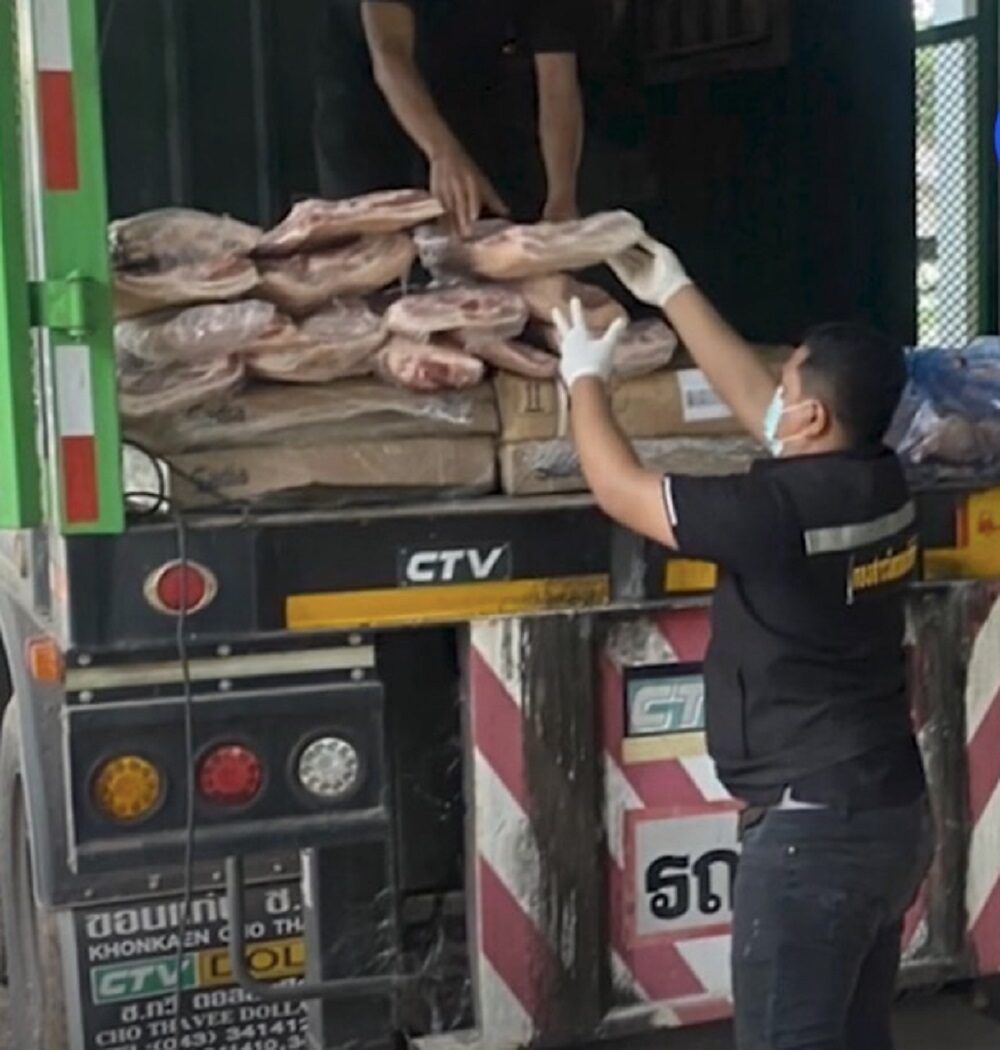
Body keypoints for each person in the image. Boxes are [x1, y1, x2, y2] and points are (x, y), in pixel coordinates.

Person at [554, 237, 935, 1050]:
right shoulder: (881, 480)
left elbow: (619, 489)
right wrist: (675, 289)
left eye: (789, 387)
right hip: (889, 813)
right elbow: (766, 409)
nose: (776, 400)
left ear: (814, 418)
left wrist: (584, 377)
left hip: (812, 842)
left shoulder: (773, 515)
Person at [314, 0, 583, 231]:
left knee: (482, 238)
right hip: (370, 102)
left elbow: (557, 83)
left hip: (471, 88)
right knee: (378, 246)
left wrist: (561, 197)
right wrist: (442, 153)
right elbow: (389, 52)